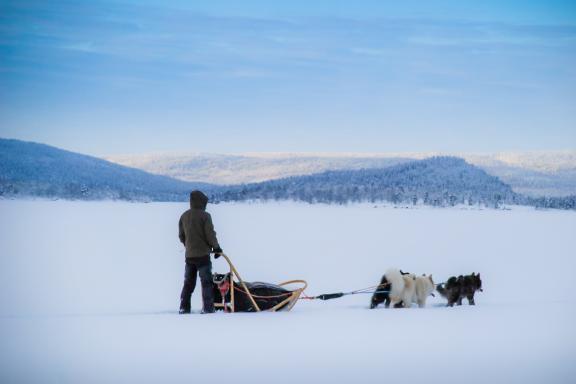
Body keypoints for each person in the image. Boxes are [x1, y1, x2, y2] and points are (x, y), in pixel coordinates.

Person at [178, 190, 223, 314]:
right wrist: (216, 248)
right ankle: (208, 308)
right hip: (203, 256)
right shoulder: (205, 216)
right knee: (206, 283)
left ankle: (184, 307)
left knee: (188, 284)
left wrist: (188, 245)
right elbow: (210, 234)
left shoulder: (184, 216)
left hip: (189, 256)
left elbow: (181, 236)